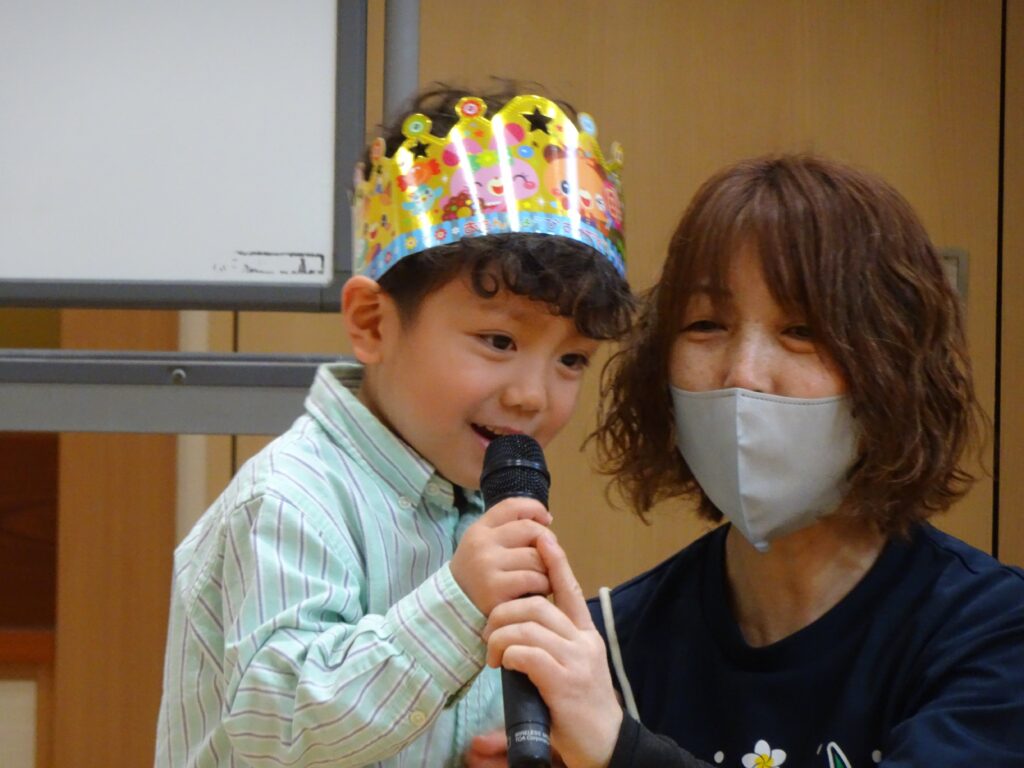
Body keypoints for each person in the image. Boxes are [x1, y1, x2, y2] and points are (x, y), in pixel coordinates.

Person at [472, 154, 1024, 767]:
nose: (743, 374)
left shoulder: (993, 630)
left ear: (894, 364)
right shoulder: (610, 647)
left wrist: (619, 750)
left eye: (803, 331)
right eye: (706, 325)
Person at [154, 82, 633, 767]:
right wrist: (457, 603)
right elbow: (278, 731)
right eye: (499, 341)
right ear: (373, 324)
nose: (534, 396)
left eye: (573, 359)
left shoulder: (477, 508)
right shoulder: (290, 501)